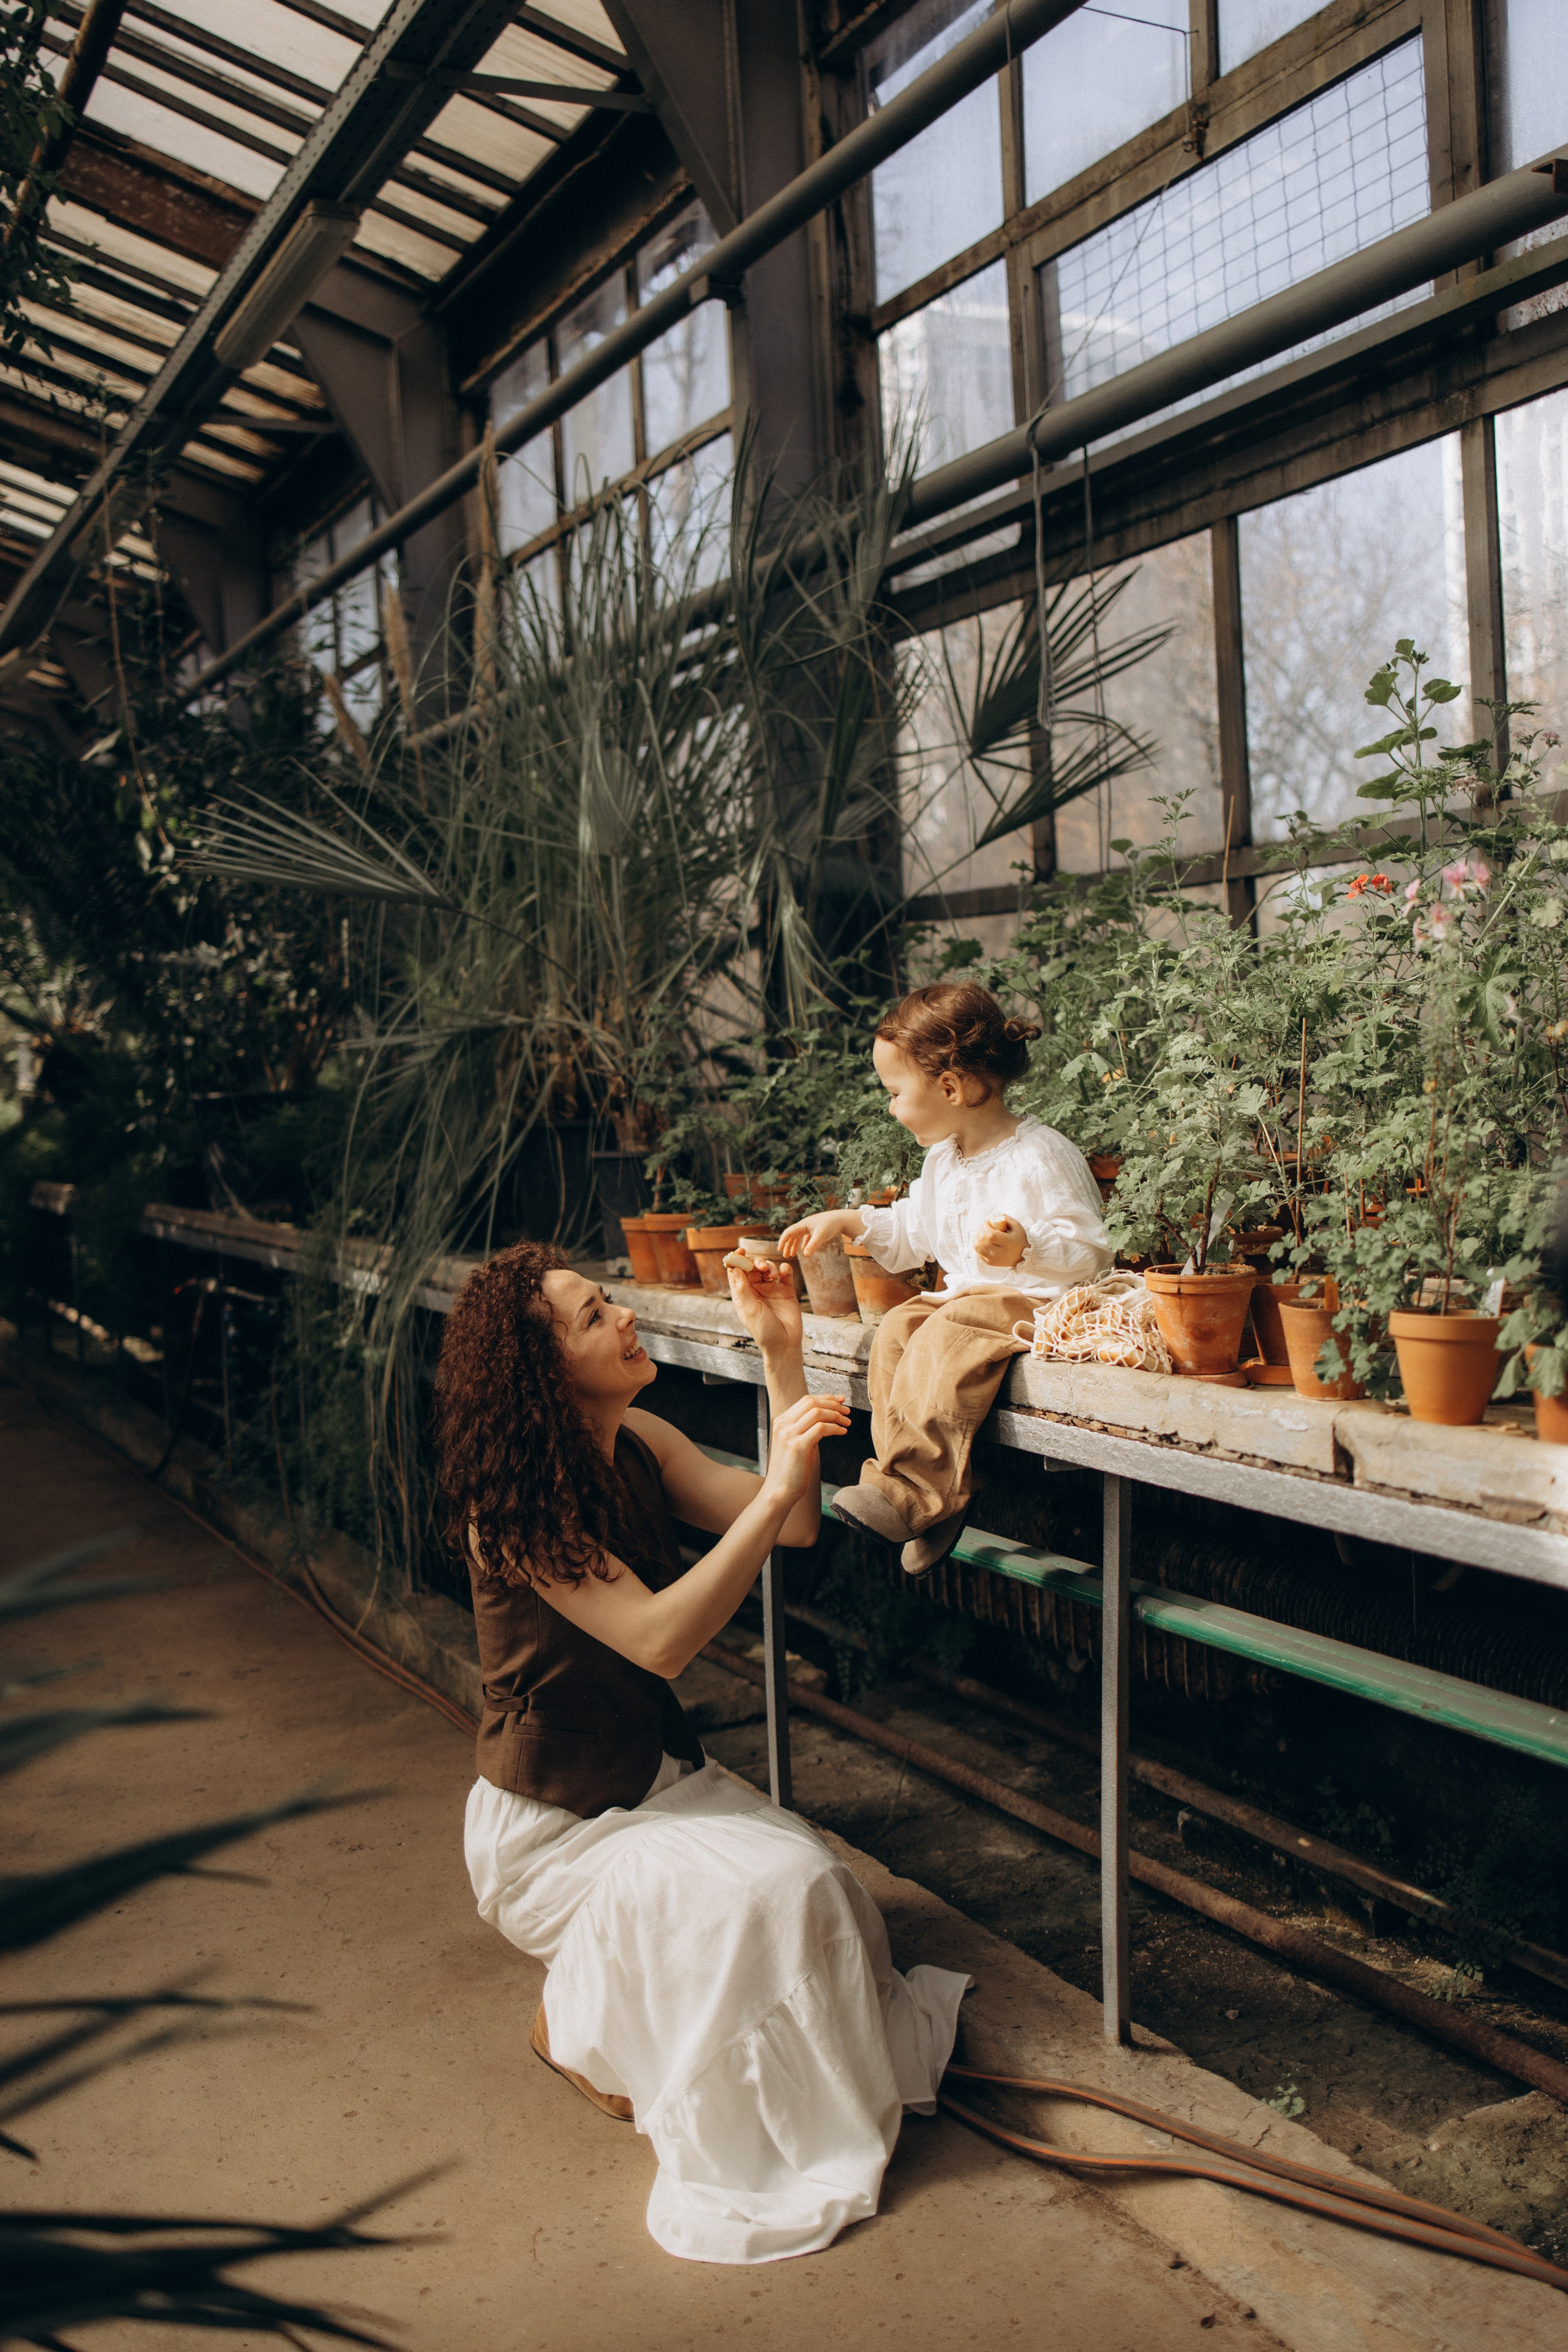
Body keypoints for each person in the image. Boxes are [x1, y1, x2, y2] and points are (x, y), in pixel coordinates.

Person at [435, 1238, 972, 2266]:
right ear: (546, 1371)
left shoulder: (638, 1437)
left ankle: (602, 2014)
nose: (625, 1316)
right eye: (596, 1315)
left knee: (823, 1894)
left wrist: (781, 1351)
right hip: (553, 1834)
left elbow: (800, 1524)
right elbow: (663, 1639)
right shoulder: (511, 1512)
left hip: (653, 1782)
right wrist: (773, 1493)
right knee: (760, 1904)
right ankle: (582, 2022)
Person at [780, 981, 1110, 1577]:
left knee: (945, 1329)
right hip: (968, 1302)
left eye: (894, 1091)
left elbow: (1089, 1251)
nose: (891, 1106)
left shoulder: (1039, 1154)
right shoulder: (943, 1162)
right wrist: (850, 1219)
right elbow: (918, 1231)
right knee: (899, 1329)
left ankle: (914, 1494)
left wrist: (1023, 1249)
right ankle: (924, 1494)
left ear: (950, 1086)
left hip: (1040, 1300)